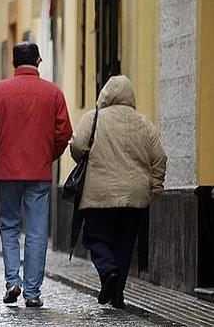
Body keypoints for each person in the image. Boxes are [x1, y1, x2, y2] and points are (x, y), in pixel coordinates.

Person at [0, 42, 73, 308]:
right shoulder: (53, 93)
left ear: (13, 63)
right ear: (39, 61)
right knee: (37, 230)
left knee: (9, 225)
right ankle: (32, 292)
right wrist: (47, 155)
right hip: (39, 171)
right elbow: (63, 132)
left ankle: (12, 281)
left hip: (8, 170)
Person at [70, 75, 166, 309]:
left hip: (98, 195)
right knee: (124, 244)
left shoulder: (92, 119)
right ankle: (117, 295)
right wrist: (154, 187)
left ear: (105, 95)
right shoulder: (144, 123)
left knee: (95, 238)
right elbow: (160, 158)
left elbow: (77, 147)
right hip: (135, 196)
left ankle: (108, 272)